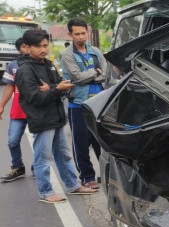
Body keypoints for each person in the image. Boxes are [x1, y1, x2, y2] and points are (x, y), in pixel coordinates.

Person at [15, 28, 96, 203]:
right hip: (42, 119)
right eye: (38, 46)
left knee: (63, 155)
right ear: (27, 47)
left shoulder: (48, 64)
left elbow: (59, 86)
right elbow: (34, 97)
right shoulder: (25, 70)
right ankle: (45, 192)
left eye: (45, 45)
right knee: (43, 158)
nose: (43, 49)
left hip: (57, 116)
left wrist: (53, 88)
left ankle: (72, 185)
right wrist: (56, 89)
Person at [60, 19, 107, 189]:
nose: (81, 37)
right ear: (70, 35)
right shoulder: (67, 54)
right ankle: (87, 177)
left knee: (100, 141)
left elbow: (105, 74)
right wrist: (95, 72)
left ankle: (106, 174)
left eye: (83, 33)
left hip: (98, 103)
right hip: (78, 104)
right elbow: (75, 77)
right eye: (77, 34)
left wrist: (89, 76)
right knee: (80, 143)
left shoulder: (95, 51)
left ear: (87, 32)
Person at [0, 38, 29, 182]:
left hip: (37, 111)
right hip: (18, 111)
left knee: (40, 142)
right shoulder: (13, 65)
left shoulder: (42, 64)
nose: (28, 49)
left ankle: (38, 167)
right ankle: (18, 167)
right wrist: (2, 105)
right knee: (12, 141)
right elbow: (10, 86)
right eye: (24, 46)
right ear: (19, 49)